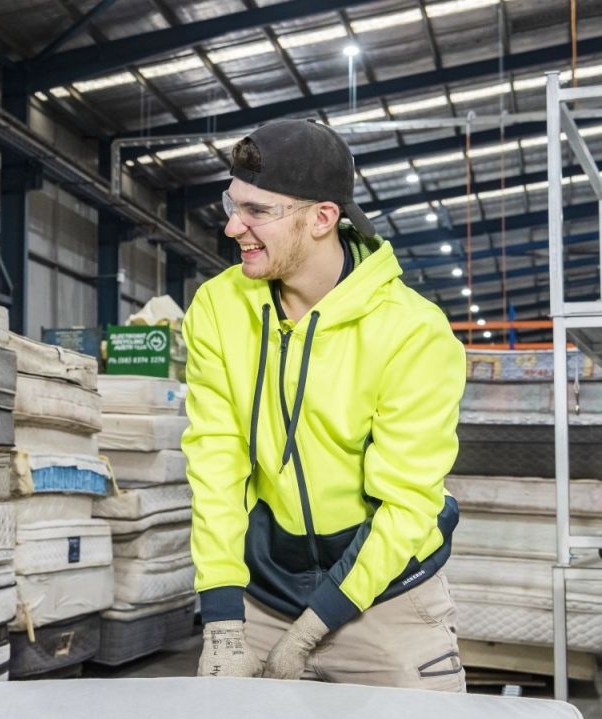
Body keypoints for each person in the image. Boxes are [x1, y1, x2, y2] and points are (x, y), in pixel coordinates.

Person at [182, 119, 467, 691]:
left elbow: (408, 501)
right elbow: (216, 464)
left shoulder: (412, 331)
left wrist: (318, 625)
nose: (233, 226)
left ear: (321, 218)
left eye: (257, 211)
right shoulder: (218, 308)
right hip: (261, 595)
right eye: (232, 204)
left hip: (386, 594)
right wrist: (221, 620)